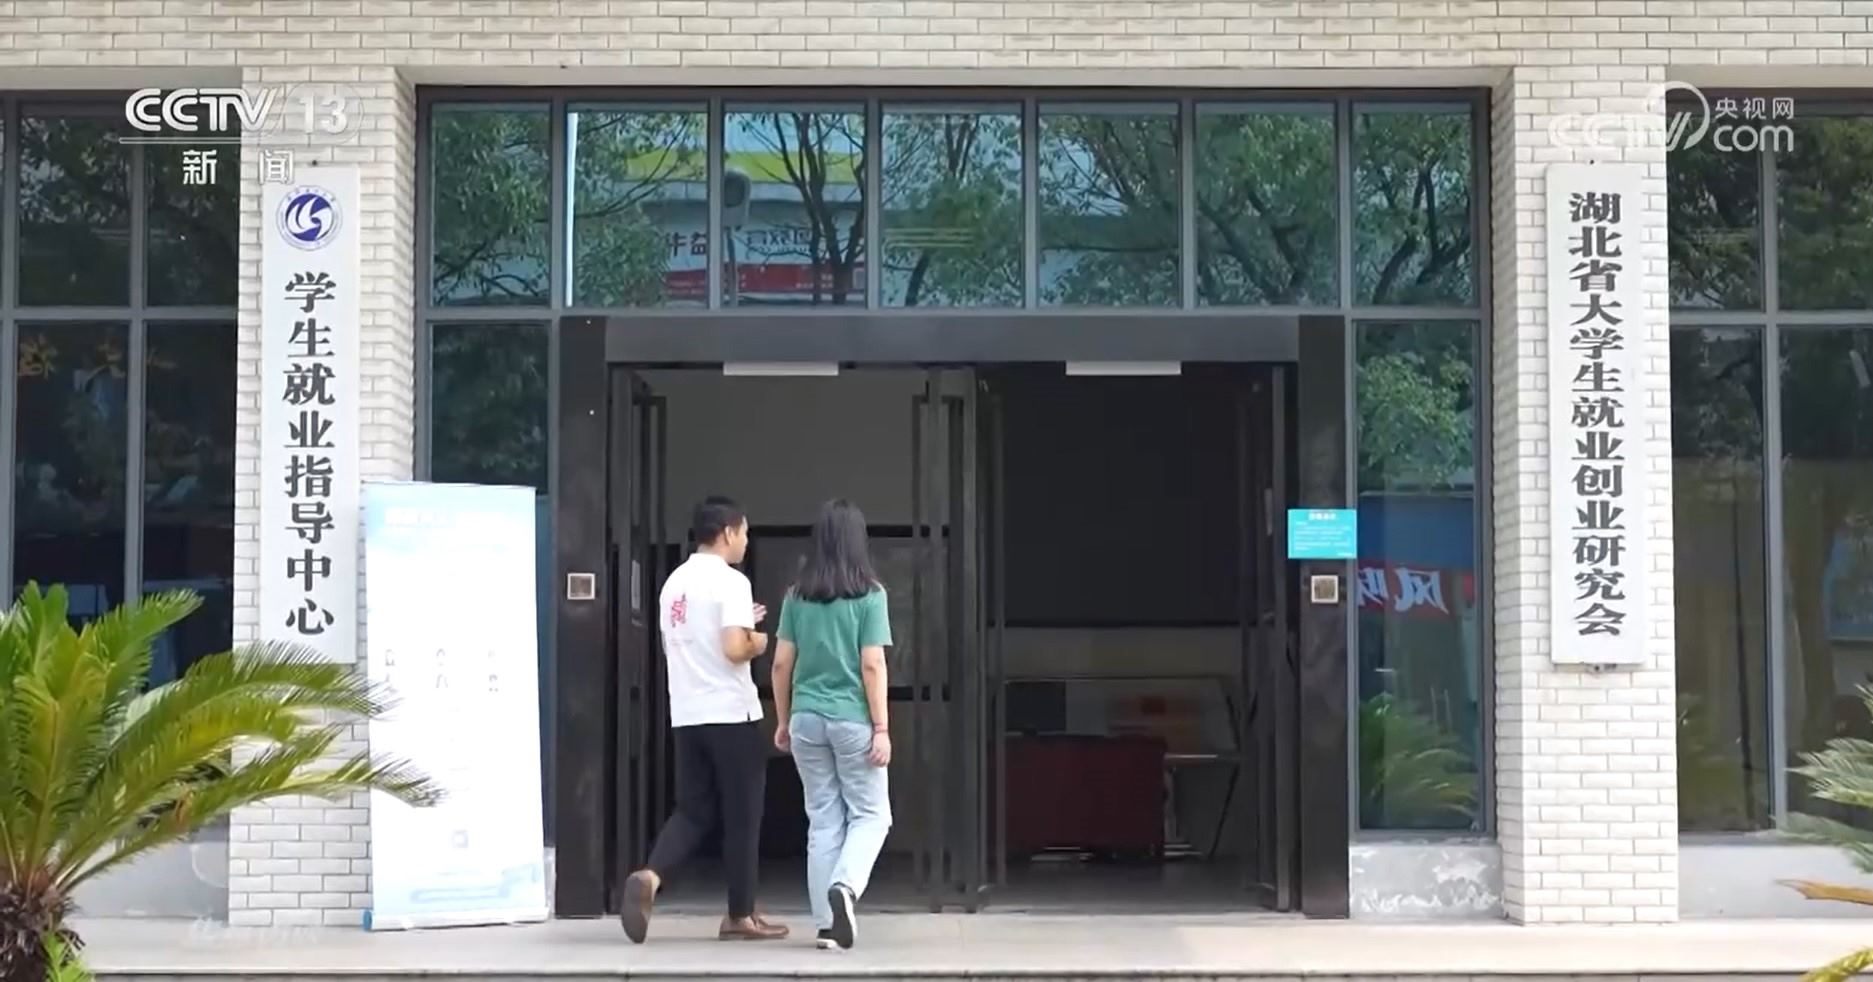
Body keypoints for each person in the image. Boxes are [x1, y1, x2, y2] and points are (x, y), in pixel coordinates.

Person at [621, 495, 788, 944]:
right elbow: (734, 648)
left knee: (693, 810)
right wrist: (759, 640)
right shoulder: (731, 581)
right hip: (731, 713)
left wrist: (741, 625)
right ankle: (740, 915)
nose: (746, 541)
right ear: (728, 532)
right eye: (745, 532)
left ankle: (651, 875)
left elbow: (699, 637)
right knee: (743, 815)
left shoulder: (673, 584)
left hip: (687, 714)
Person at [769, 498, 893, 951]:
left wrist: (783, 720)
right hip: (852, 719)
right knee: (872, 815)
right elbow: (872, 664)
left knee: (823, 819)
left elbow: (780, 664)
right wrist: (881, 728)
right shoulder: (870, 596)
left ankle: (826, 925)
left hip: (805, 718)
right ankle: (846, 886)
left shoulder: (796, 596)